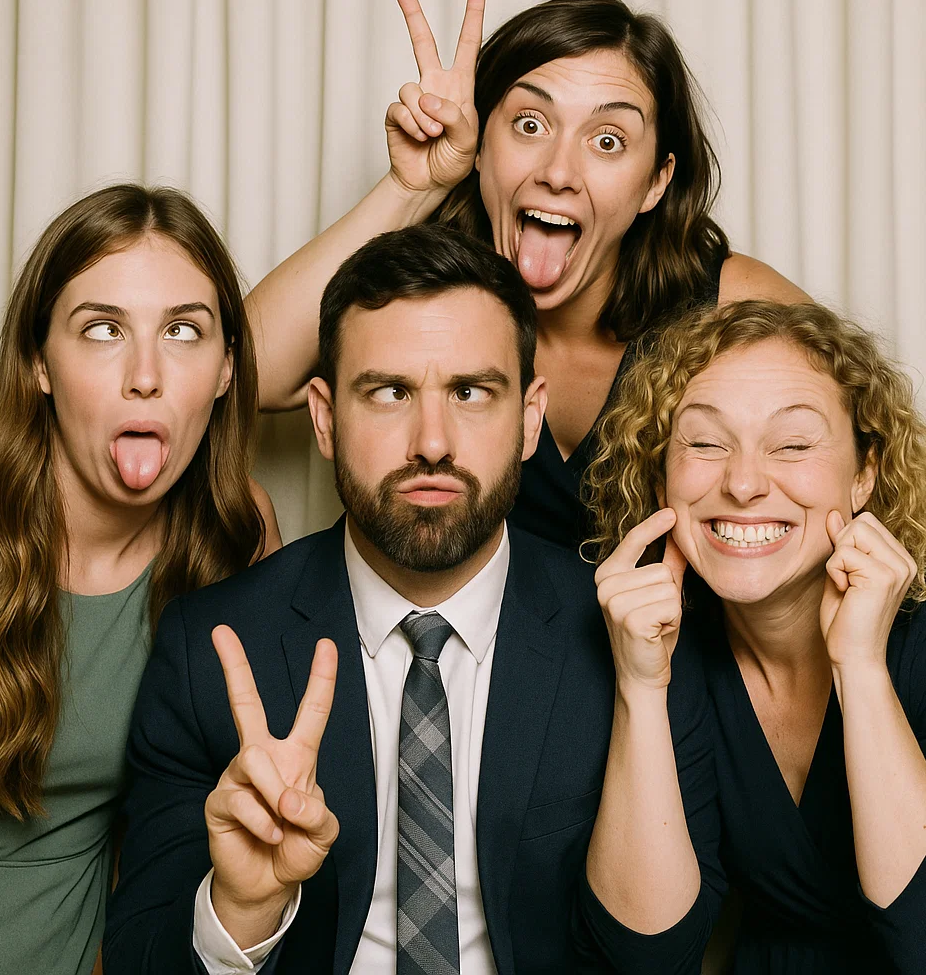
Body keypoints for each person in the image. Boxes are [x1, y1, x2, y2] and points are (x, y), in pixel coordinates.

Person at [103, 224, 724, 974]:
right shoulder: (214, 648)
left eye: (470, 392)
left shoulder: (629, 641)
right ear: (326, 419)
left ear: (529, 417)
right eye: (390, 392)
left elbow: (659, 958)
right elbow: (142, 956)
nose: (432, 441)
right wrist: (240, 910)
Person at [245, 0, 806, 550]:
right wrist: (415, 186)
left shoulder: (731, 304)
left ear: (655, 182)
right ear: (481, 145)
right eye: (530, 125)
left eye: (607, 140)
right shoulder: (426, 299)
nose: (558, 172)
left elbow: (854, 467)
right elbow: (242, 373)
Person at [581, 299, 926, 973]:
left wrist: (861, 668)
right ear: (660, 475)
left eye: (793, 445)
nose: (741, 483)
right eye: (704, 443)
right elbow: (645, 957)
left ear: (864, 475)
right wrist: (641, 689)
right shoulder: (664, 641)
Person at [0, 184, 281, 975]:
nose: (145, 375)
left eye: (183, 332)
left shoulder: (234, 538)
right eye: (102, 330)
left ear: (228, 369)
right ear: (39, 363)